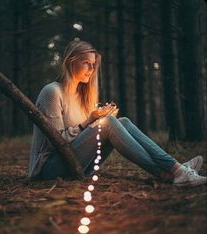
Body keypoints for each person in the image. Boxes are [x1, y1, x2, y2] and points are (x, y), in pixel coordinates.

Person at [29, 40, 206, 187]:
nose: (91, 70)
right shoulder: (52, 92)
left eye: (93, 65)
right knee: (109, 123)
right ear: (71, 61)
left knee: (123, 121)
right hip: (50, 169)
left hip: (80, 165)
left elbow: (86, 138)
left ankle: (172, 170)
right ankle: (175, 170)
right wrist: (90, 121)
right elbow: (56, 142)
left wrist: (99, 119)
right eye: (86, 63)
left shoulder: (81, 96)